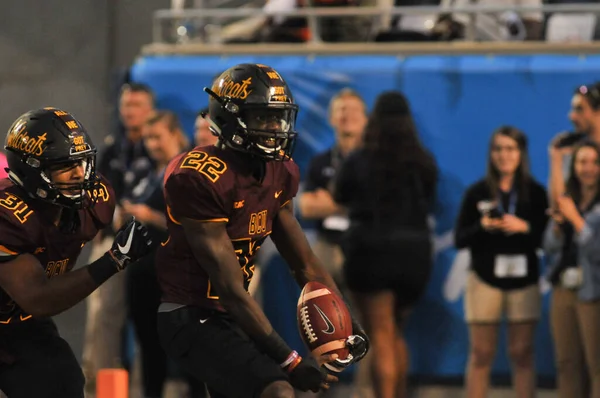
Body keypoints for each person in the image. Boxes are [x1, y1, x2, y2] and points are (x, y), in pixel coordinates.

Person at [156, 63, 369, 398]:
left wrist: (348, 322)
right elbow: (229, 288)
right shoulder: (197, 177)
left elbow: (304, 263)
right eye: (263, 118)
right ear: (230, 119)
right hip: (190, 314)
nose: (274, 128)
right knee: (277, 390)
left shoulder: (279, 171)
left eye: (278, 118)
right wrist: (291, 361)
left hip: (232, 315)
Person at [0, 108, 154, 398]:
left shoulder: (94, 201)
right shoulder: (8, 217)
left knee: (62, 383)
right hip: (25, 308)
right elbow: (38, 298)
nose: (79, 174)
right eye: (64, 165)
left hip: (19, 324)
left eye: (83, 162)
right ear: (31, 168)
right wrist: (114, 260)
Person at [333, 91, 437, 398]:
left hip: (372, 253)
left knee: (380, 335)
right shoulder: (423, 159)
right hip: (416, 256)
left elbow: (339, 196)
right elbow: (430, 198)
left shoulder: (361, 158)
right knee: (395, 333)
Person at [455, 126, 548, 398]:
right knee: (481, 352)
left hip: (524, 280)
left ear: (521, 154)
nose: (503, 155)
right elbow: (460, 238)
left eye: (510, 149)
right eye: (498, 148)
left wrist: (525, 228)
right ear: (491, 154)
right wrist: (482, 226)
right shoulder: (477, 192)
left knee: (522, 353)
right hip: (484, 278)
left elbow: (548, 240)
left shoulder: (535, 192)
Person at [124, 111, 207, 398]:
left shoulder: (187, 171)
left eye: (157, 137)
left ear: (175, 134)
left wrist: (148, 215)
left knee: (188, 343)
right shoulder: (148, 172)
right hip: (145, 269)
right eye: (148, 138)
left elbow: (193, 224)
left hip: (178, 274)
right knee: (149, 343)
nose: (152, 144)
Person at [82, 82, 156, 390]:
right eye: (126, 105)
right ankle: (96, 386)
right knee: (102, 317)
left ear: (150, 110)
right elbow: (92, 193)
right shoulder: (111, 149)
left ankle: (144, 387)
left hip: (149, 246)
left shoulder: (159, 149)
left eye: (137, 105)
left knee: (146, 321)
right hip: (111, 239)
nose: (130, 112)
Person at [544, 141, 600, 398]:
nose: (588, 168)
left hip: (595, 291)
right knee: (566, 364)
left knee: (596, 368)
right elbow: (549, 246)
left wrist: (577, 221)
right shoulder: (570, 198)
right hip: (564, 287)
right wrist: (557, 227)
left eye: (594, 162)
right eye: (581, 162)